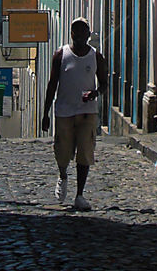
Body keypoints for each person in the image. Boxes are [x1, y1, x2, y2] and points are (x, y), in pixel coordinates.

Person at [41, 18, 107, 211]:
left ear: (88, 34)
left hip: (87, 112)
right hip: (64, 111)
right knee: (62, 150)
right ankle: (62, 175)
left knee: (85, 152)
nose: (78, 35)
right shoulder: (61, 55)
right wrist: (45, 113)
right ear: (71, 34)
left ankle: (79, 194)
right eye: (75, 31)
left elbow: (103, 83)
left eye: (82, 31)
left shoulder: (96, 57)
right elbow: (52, 84)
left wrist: (95, 93)